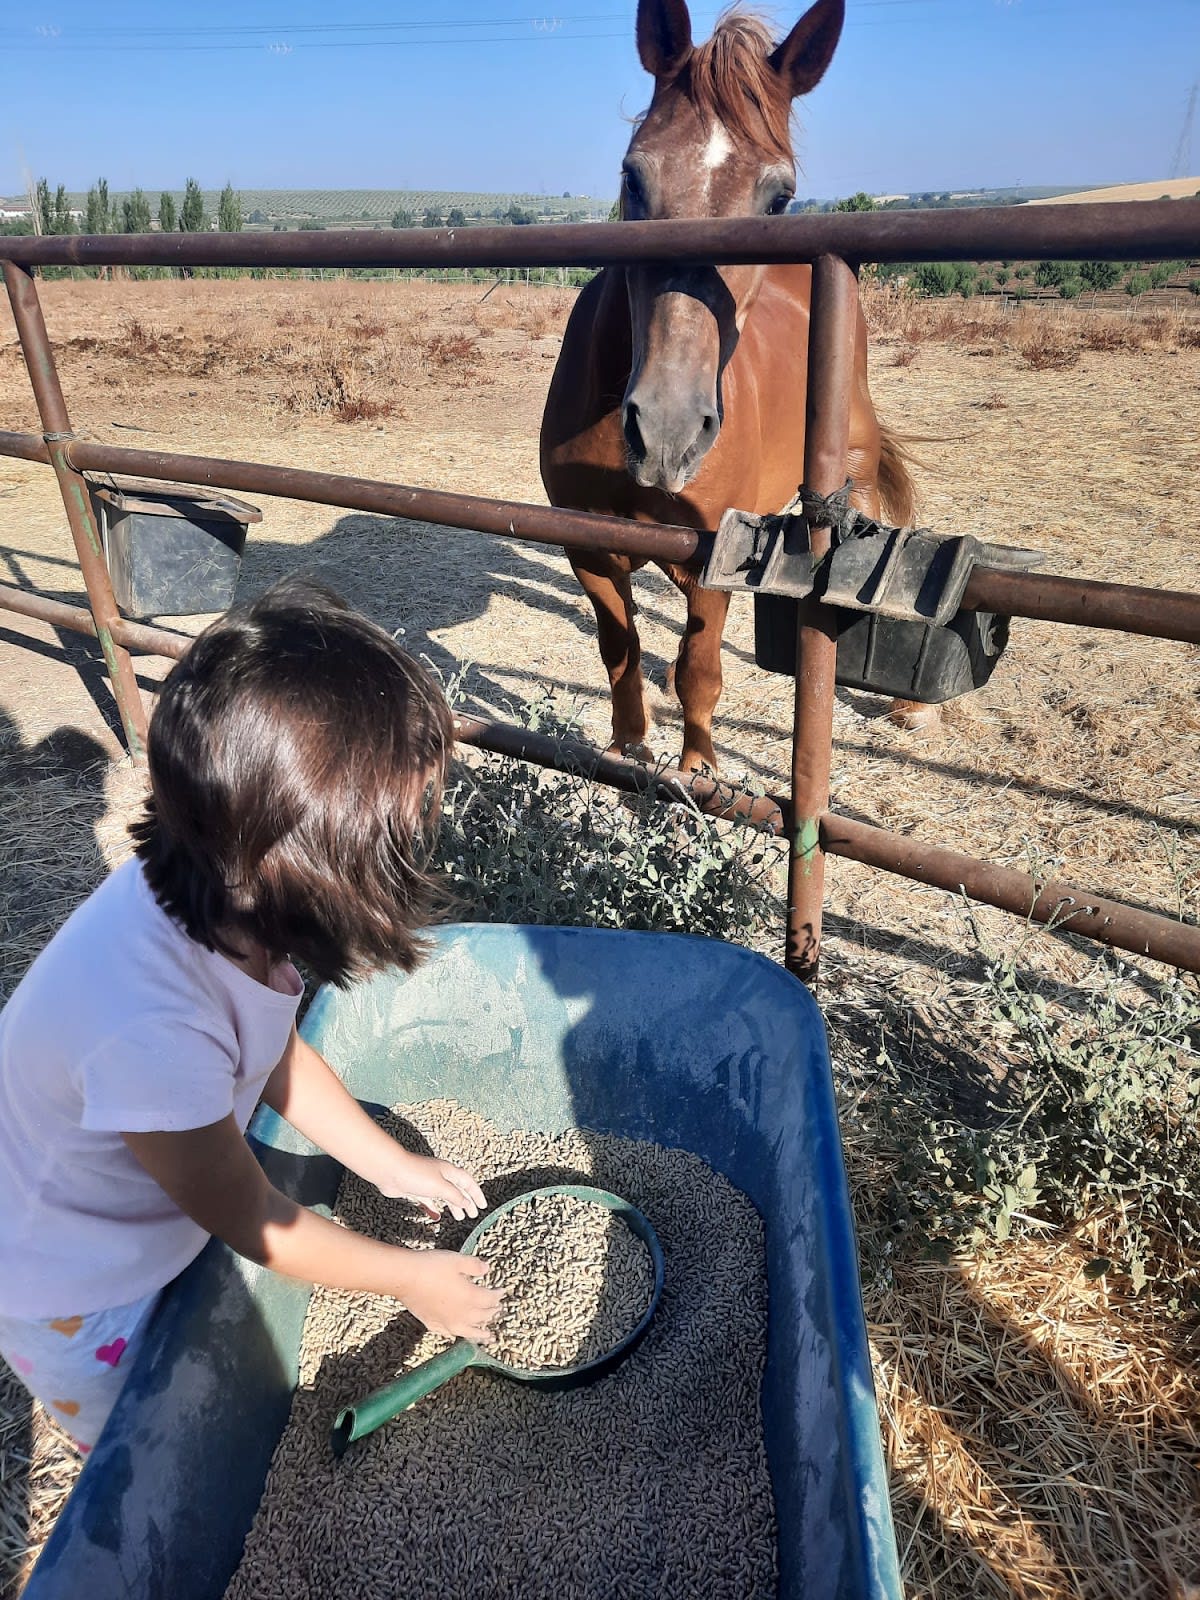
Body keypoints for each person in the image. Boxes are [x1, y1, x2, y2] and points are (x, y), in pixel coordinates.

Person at [0, 578, 502, 1454]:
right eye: (392, 841)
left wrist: (388, 1166)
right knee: (151, 1448)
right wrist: (409, 1279)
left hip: (146, 1214)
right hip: (79, 1296)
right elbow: (251, 1216)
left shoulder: (222, 902)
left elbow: (268, 1047)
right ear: (311, 864)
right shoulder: (149, 1026)